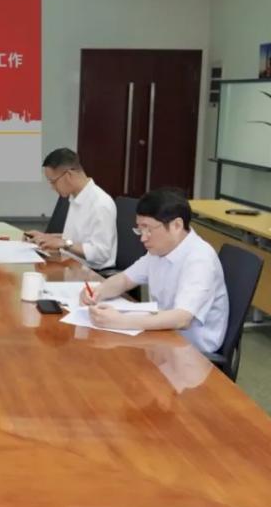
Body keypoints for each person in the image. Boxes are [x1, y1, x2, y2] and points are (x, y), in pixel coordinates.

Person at [80, 188, 229, 354]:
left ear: (176, 225)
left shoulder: (200, 259)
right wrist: (98, 291)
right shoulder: (159, 250)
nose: (143, 238)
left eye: (148, 229)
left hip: (191, 352)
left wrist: (120, 321)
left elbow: (182, 319)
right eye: (140, 230)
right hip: (162, 337)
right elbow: (125, 279)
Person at [25, 148, 117, 270]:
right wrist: (47, 237)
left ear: (68, 175)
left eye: (53, 181)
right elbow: (77, 238)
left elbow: (101, 254)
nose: (52, 187)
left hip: (92, 273)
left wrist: (63, 243)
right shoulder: (75, 197)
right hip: (70, 265)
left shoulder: (101, 204)